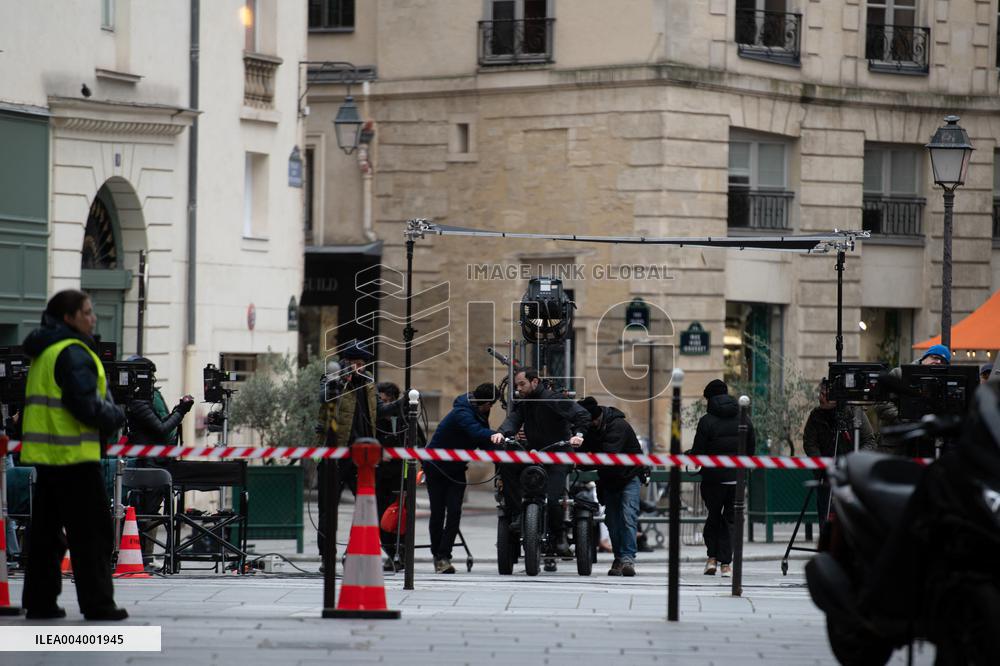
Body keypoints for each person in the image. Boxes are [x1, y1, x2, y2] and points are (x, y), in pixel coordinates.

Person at [19, 289, 129, 620]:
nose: (93, 318)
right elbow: (83, 403)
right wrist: (116, 416)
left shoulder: (44, 351)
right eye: (87, 312)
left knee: (45, 535)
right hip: (75, 458)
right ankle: (98, 604)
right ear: (69, 318)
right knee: (91, 533)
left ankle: (40, 602)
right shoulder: (73, 352)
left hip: (48, 457)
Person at [315, 340, 407, 563]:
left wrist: (403, 404)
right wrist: (342, 378)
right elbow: (324, 397)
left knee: (365, 506)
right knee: (328, 509)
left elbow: (379, 411)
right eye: (356, 363)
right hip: (336, 453)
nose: (360, 368)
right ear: (347, 362)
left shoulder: (367, 384)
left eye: (363, 364)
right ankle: (327, 556)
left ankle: (353, 551)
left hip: (362, 456)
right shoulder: (332, 380)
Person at [490, 368, 589, 565]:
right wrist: (502, 432)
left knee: (553, 499)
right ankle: (517, 514)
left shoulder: (554, 399)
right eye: (516, 386)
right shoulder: (525, 402)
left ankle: (560, 536)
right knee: (507, 464)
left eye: (521, 384)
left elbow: (582, 415)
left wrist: (578, 435)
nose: (518, 389)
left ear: (534, 382)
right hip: (535, 452)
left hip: (558, 453)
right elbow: (514, 419)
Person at [122, 356, 194, 563]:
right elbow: (161, 429)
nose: (151, 380)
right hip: (148, 463)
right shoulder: (139, 401)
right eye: (149, 376)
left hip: (151, 460)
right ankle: (142, 557)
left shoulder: (142, 399)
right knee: (147, 512)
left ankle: (146, 556)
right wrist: (181, 410)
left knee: (150, 511)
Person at [424, 383, 500, 573]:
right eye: (491, 404)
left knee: (455, 511)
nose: (491, 408)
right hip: (436, 467)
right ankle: (439, 557)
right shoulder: (462, 412)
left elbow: (484, 442)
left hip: (456, 468)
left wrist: (505, 450)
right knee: (438, 513)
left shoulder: (480, 413)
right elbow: (476, 432)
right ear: (486, 403)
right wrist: (499, 435)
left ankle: (444, 555)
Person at [690, 379, 754, 578]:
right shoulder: (745, 418)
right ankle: (726, 564)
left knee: (714, 516)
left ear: (709, 398)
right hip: (737, 477)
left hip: (713, 479)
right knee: (730, 521)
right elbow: (750, 448)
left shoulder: (706, 421)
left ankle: (712, 558)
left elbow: (698, 453)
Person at [577, 396, 643, 577]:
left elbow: (607, 457)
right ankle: (619, 558)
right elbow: (584, 457)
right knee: (613, 522)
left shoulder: (617, 426)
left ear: (594, 419)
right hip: (609, 479)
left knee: (628, 516)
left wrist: (584, 459)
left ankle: (628, 558)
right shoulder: (590, 429)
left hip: (628, 476)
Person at [802, 378, 875, 529]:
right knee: (826, 515)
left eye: (824, 394)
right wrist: (823, 465)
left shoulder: (855, 413)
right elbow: (810, 443)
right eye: (820, 393)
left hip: (852, 474)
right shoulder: (816, 416)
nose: (820, 397)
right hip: (826, 476)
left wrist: (854, 462)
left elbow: (870, 441)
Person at [874, 344, 951, 453]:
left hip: (927, 444)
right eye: (934, 357)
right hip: (897, 443)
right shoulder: (899, 373)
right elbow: (881, 403)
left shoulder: (941, 382)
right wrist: (903, 419)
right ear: (924, 358)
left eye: (943, 361)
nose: (938, 362)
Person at [374, 381, 406, 570]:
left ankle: (399, 554)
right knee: (381, 516)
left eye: (383, 398)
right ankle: (387, 552)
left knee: (397, 517)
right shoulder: (375, 418)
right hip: (379, 474)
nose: (380, 402)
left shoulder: (403, 418)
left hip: (399, 474)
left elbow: (417, 441)